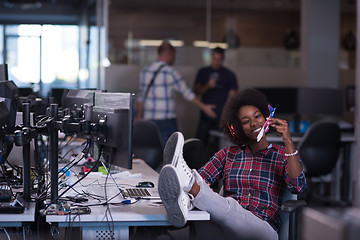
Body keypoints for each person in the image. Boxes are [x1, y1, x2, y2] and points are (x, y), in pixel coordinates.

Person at [158, 88, 307, 240]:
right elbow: (203, 178)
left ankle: (189, 186)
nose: (254, 123)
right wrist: (200, 186)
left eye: (257, 116)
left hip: (262, 229)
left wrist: (288, 141)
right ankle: (187, 194)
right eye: (246, 121)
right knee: (201, 219)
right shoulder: (228, 154)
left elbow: (298, 187)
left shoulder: (282, 154)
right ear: (238, 128)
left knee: (228, 205)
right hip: (228, 226)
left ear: (267, 118)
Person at [136, 41, 216, 146]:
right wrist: (204, 107)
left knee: (151, 150)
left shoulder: (145, 71)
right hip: (166, 119)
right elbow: (187, 93)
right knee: (170, 152)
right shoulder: (171, 72)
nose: (174, 59)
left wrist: (139, 116)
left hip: (148, 119)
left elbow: (141, 97)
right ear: (168, 54)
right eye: (174, 55)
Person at [193, 47, 238, 151]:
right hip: (205, 115)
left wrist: (226, 111)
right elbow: (196, 91)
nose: (216, 62)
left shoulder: (229, 74)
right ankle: (197, 166)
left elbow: (233, 96)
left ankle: (218, 166)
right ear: (211, 58)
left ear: (222, 59)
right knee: (199, 144)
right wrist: (207, 85)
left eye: (219, 59)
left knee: (221, 146)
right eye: (214, 59)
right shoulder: (203, 72)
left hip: (222, 117)